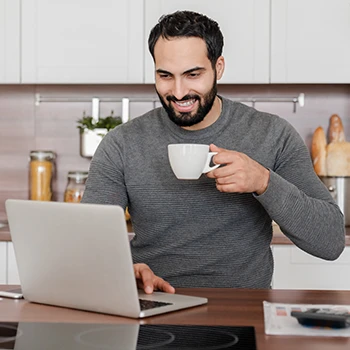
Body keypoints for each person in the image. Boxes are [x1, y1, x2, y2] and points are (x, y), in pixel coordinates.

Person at [81, 10, 345, 293]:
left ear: (218, 68)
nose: (179, 92)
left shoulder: (273, 135)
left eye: (193, 74)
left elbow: (330, 242)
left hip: (244, 316)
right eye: (165, 75)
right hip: (153, 309)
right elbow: (88, 246)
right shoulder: (121, 144)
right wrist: (123, 271)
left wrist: (264, 182)